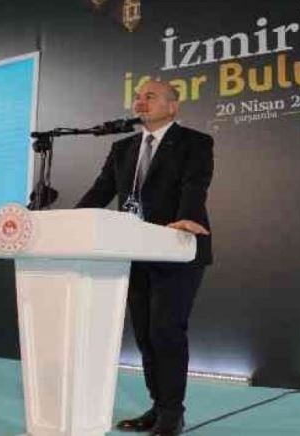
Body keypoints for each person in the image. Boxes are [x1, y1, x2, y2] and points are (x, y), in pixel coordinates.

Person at [76, 80, 213, 436]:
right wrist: (70, 220)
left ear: (173, 106)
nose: (140, 101)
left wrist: (188, 217)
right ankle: (158, 406)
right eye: (137, 97)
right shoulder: (122, 148)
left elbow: (195, 184)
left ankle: (173, 414)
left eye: (150, 96)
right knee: (144, 335)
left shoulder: (195, 142)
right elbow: (101, 191)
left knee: (165, 331)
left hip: (178, 247)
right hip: (133, 250)